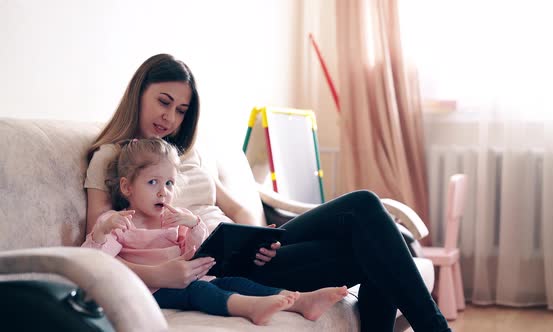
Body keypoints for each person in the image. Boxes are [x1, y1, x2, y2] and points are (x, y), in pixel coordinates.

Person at [85, 54, 451, 332]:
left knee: (370, 229)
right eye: (163, 102)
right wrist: (162, 273)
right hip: (212, 269)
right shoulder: (111, 158)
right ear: (139, 93)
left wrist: (258, 238)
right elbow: (98, 251)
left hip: (245, 250)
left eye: (181, 110)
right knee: (368, 216)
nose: (170, 118)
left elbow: (240, 209)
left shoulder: (187, 154)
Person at [82, 138, 348, 325]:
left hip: (191, 279)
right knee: (201, 292)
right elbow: (93, 261)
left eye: (170, 183)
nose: (164, 191)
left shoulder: (172, 220)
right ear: (127, 188)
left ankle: (300, 301)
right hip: (152, 290)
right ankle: (250, 308)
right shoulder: (117, 222)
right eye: (153, 182)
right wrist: (101, 233)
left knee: (235, 283)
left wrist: (194, 224)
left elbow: (200, 251)